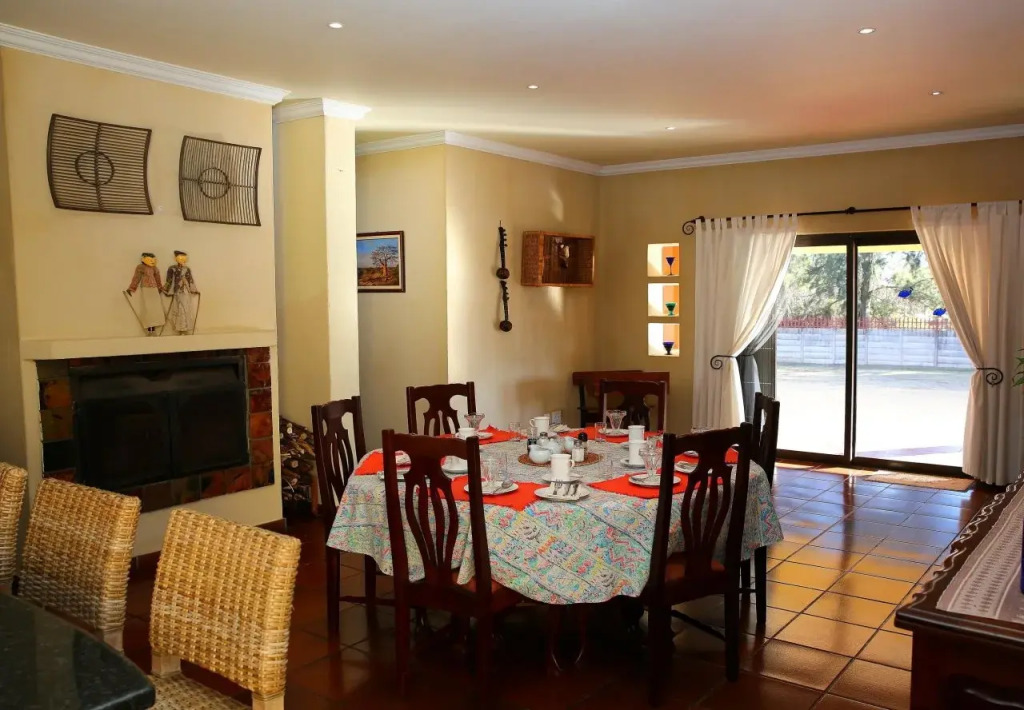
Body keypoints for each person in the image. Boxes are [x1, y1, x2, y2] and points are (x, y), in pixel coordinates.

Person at [124, 252, 165, 335]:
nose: (152, 261)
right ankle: (150, 329)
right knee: (148, 309)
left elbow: (158, 279)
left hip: (154, 289)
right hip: (146, 288)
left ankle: (154, 329)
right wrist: (132, 288)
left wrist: (160, 288)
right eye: (149, 259)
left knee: (155, 309)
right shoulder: (141, 267)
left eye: (153, 259)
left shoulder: (155, 268)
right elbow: (137, 277)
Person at [164, 250, 200, 335]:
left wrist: (194, 289)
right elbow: (169, 280)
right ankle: (180, 328)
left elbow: (190, 280)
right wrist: (166, 289)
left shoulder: (187, 269)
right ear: (176, 258)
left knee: (186, 309)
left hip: (186, 291)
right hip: (177, 291)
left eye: (184, 258)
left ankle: (186, 328)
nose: (183, 260)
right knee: (179, 309)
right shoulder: (172, 268)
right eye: (180, 258)